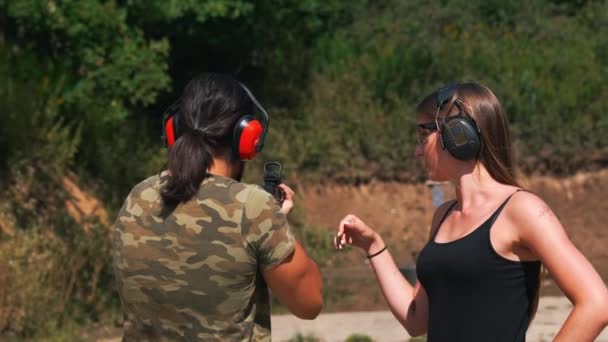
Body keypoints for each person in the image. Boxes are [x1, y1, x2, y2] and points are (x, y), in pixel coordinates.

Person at [334, 83, 608, 341]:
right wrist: (374, 246)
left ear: (456, 134)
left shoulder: (521, 210)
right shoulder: (443, 216)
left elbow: (596, 303)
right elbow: (417, 320)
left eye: (423, 134)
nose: (418, 151)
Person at [113, 73, 323, 341]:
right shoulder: (253, 208)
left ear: (173, 129)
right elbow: (309, 303)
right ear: (248, 138)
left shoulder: (138, 198)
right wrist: (275, 224)